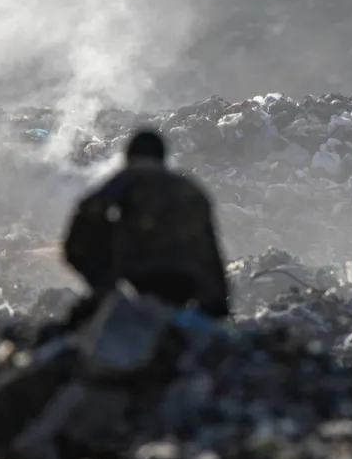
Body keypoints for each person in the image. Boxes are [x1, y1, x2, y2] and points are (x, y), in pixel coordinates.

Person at [62, 129, 230, 319]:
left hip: (143, 271)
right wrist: (219, 305)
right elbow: (212, 249)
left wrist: (101, 280)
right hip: (189, 278)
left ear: (129, 156)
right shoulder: (191, 188)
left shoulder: (131, 176)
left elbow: (90, 210)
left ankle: (107, 295)